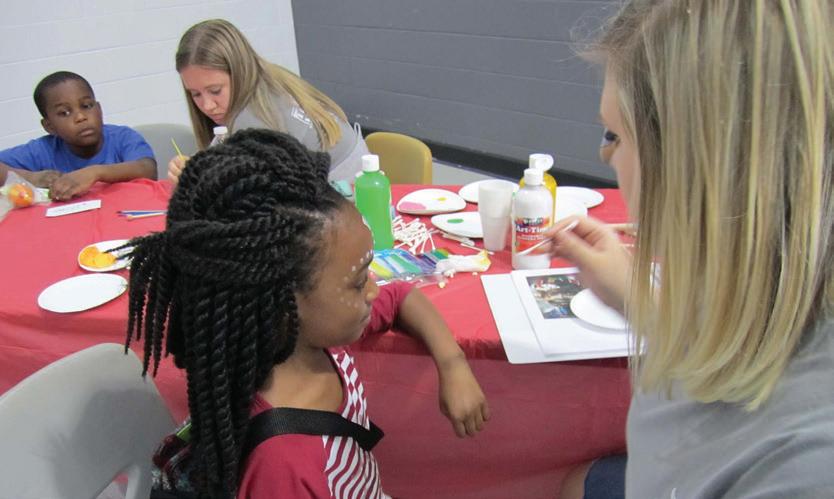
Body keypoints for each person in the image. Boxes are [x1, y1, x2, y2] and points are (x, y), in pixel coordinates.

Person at [547, 1, 834, 497]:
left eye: (616, 134)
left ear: (697, 167)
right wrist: (634, 300)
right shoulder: (759, 284)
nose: (604, 153)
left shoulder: (800, 467)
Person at [126, 128, 489, 498]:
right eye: (358, 282)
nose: (373, 291)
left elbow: (399, 296)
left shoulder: (317, 334)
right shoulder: (280, 466)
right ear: (285, 304)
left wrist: (453, 363)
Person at [167, 19, 368, 185]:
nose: (207, 105)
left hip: (346, 194)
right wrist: (197, 168)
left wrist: (193, 181)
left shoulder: (254, 118)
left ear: (239, 72)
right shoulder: (266, 76)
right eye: (195, 94)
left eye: (215, 91)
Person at [0, 71, 156, 201]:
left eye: (86, 106)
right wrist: (30, 178)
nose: (81, 117)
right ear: (49, 126)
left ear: (99, 109)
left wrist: (95, 173)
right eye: (64, 113)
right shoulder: (42, 150)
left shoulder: (122, 137)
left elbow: (147, 169)